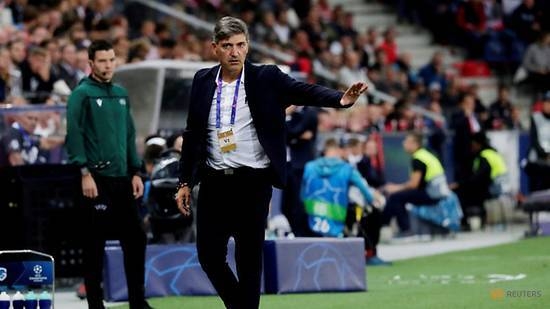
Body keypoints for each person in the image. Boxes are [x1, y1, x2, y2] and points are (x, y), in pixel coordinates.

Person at [174, 16, 367, 309]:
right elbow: (191, 132)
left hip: (253, 181)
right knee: (209, 257)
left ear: (248, 46)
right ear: (215, 48)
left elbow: (304, 91)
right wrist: (184, 180)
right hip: (214, 180)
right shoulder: (202, 80)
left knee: (248, 260)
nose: (235, 52)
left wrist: (340, 99)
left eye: (240, 45)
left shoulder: (266, 77)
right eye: (227, 46)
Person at [65, 40, 153, 309]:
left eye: (111, 60)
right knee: (94, 243)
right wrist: (84, 172)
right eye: (102, 61)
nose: (108, 65)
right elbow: (74, 134)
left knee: (135, 238)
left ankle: (138, 301)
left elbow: (128, 135)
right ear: (90, 63)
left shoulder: (121, 93)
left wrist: (136, 171)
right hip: (95, 179)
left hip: (123, 179)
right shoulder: (81, 94)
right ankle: (95, 304)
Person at [301, 138, 388, 265]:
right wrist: (376, 200)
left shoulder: (309, 167)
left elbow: (302, 194)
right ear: (339, 151)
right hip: (338, 216)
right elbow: (366, 192)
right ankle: (369, 253)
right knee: (373, 212)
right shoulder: (346, 168)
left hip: (312, 215)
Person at [382, 132, 450, 235]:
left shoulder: (418, 158)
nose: (403, 144)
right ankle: (384, 225)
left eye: (406, 141)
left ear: (415, 144)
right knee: (399, 196)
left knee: (396, 197)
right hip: (438, 192)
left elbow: (414, 185)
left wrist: (395, 188)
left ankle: (405, 231)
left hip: (432, 193)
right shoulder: (426, 154)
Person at [452, 131, 508, 227]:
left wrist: (460, 184)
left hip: (494, 188)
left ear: (478, 144)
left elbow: (478, 179)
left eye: (473, 145)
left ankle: (465, 223)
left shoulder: (484, 156)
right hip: (503, 186)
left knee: (462, 193)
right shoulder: (493, 153)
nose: (472, 147)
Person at [0, 110, 64, 167]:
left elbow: (47, 142)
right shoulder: (12, 133)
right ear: (20, 119)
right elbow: (15, 160)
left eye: (36, 119)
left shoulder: (30, 136)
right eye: (30, 118)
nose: (33, 122)